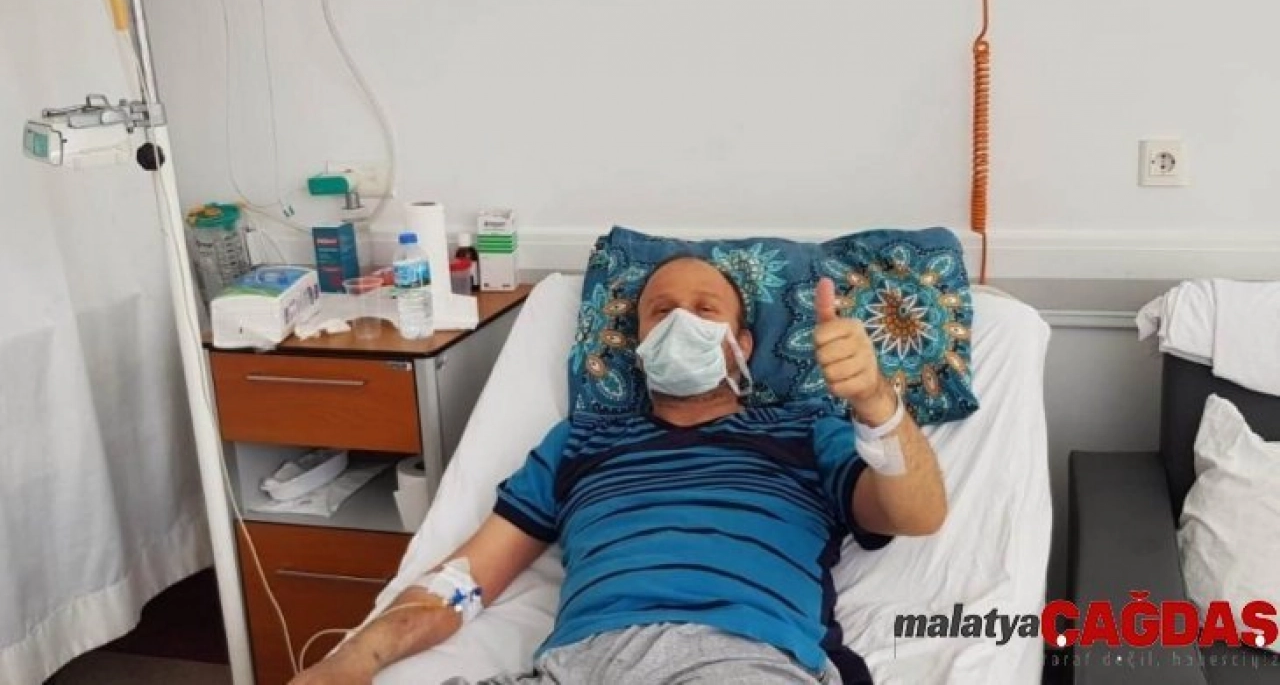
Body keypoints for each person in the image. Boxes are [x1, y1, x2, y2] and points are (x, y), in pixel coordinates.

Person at [291, 256, 947, 685]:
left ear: (743, 345)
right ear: (639, 344)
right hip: (577, 665)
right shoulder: (580, 442)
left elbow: (918, 513)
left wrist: (874, 401)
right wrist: (353, 659)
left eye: (705, 309)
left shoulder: (805, 433)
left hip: (737, 657)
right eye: (660, 311)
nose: (681, 319)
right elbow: (464, 582)